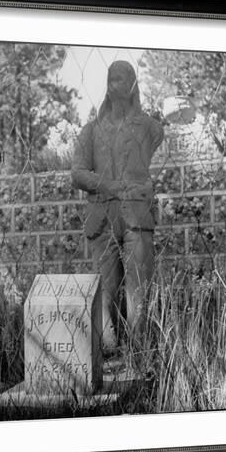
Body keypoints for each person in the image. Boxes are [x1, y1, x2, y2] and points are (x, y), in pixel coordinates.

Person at [71, 60, 164, 367]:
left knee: (139, 289)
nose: (115, 83)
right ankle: (108, 353)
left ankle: (138, 353)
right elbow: (78, 173)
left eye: (121, 78)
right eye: (110, 78)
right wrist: (108, 184)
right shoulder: (91, 131)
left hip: (137, 216)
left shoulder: (150, 128)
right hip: (102, 218)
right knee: (105, 288)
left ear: (134, 84)